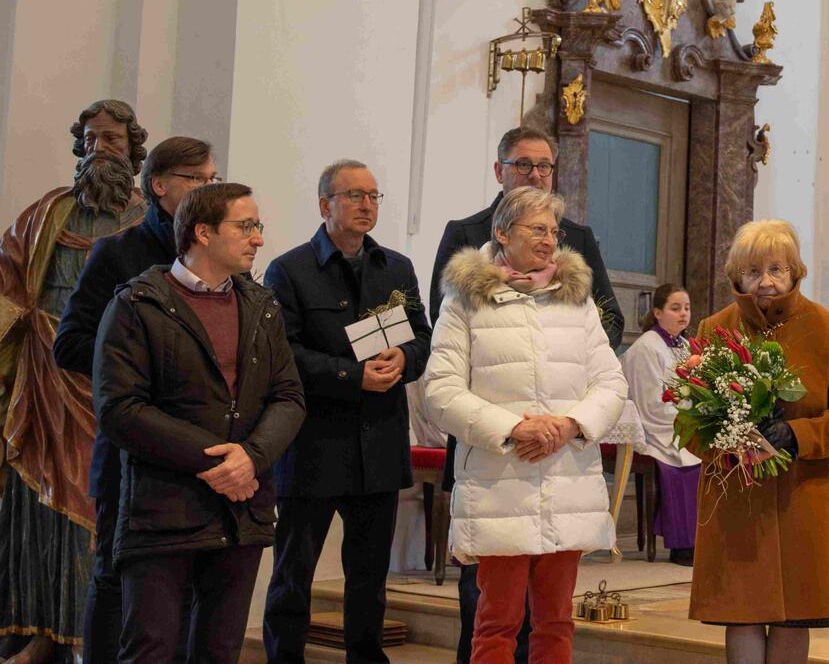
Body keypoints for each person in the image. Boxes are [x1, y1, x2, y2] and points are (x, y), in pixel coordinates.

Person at [428, 126, 622, 664]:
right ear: (504, 232)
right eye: (537, 229)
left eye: (554, 230)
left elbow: (611, 383)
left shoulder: (576, 301)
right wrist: (514, 429)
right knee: (495, 623)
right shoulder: (464, 300)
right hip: (501, 482)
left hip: (565, 477)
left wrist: (568, 425)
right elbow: (440, 391)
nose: (549, 239)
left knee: (557, 622)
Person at [94, 183, 305, 663]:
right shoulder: (136, 304)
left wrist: (250, 458)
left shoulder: (261, 305)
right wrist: (217, 460)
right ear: (203, 232)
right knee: (151, 649)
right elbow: (120, 409)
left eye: (259, 227)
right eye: (246, 226)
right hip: (164, 507)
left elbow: (289, 396)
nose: (258, 239)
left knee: (220, 650)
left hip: (242, 510)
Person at [54, 135, 218, 662]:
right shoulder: (119, 252)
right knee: (114, 576)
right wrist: (140, 366)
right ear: (159, 185)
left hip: (200, 445)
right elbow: (71, 343)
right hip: (131, 446)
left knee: (192, 582)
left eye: (213, 179)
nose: (208, 188)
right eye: (197, 180)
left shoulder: (214, 254)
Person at [263, 160, 432, 664]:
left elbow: (423, 338)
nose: (367, 205)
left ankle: (365, 656)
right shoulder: (289, 270)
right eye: (354, 195)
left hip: (378, 441)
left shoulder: (396, 267)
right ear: (324, 205)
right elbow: (282, 353)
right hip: (313, 442)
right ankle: (284, 657)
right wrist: (349, 374)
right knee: (295, 570)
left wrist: (404, 359)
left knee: (369, 573)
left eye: (374, 196)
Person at [0, 99, 148, 663]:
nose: (98, 150)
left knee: (95, 509)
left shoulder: (145, 223)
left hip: (112, 381)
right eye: (89, 140)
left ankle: (98, 640)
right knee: (38, 510)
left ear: (132, 149)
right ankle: (38, 631)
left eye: (111, 140)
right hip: (42, 377)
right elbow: (9, 278)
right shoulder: (47, 214)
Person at [690, 220, 829, 664]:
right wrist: (728, 440)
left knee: (796, 615)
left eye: (776, 269)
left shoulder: (827, 329)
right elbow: (691, 422)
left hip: (802, 498)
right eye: (753, 271)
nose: (765, 282)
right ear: (736, 274)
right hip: (736, 497)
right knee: (742, 611)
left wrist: (797, 434)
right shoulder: (715, 328)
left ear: (795, 272)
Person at [619, 283, 700, 566]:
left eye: (687, 308)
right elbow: (650, 403)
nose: (683, 314)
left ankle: (704, 540)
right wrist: (687, 418)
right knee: (689, 463)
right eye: (675, 308)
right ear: (657, 312)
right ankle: (683, 546)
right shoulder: (646, 348)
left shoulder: (685, 346)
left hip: (680, 421)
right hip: (656, 427)